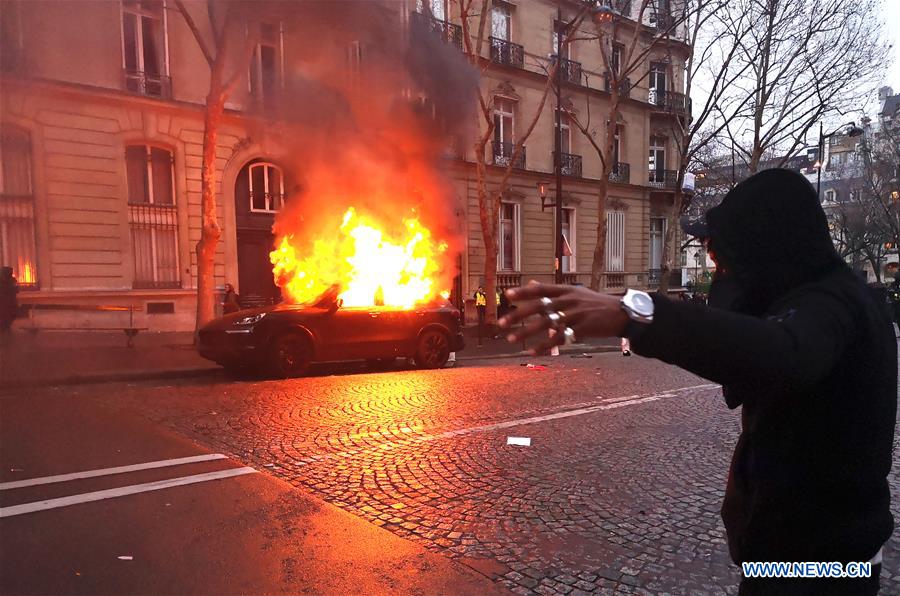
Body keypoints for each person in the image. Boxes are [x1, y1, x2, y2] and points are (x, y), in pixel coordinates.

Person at [499, 169, 895, 595]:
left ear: (764, 251)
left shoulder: (832, 305)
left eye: (723, 261)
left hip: (819, 573)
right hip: (795, 562)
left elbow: (782, 353)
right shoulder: (832, 297)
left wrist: (636, 313)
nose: (718, 274)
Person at [0, 266, 17, 334]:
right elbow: (16, 290)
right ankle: (6, 326)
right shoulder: (12, 280)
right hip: (10, 302)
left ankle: (4, 326)